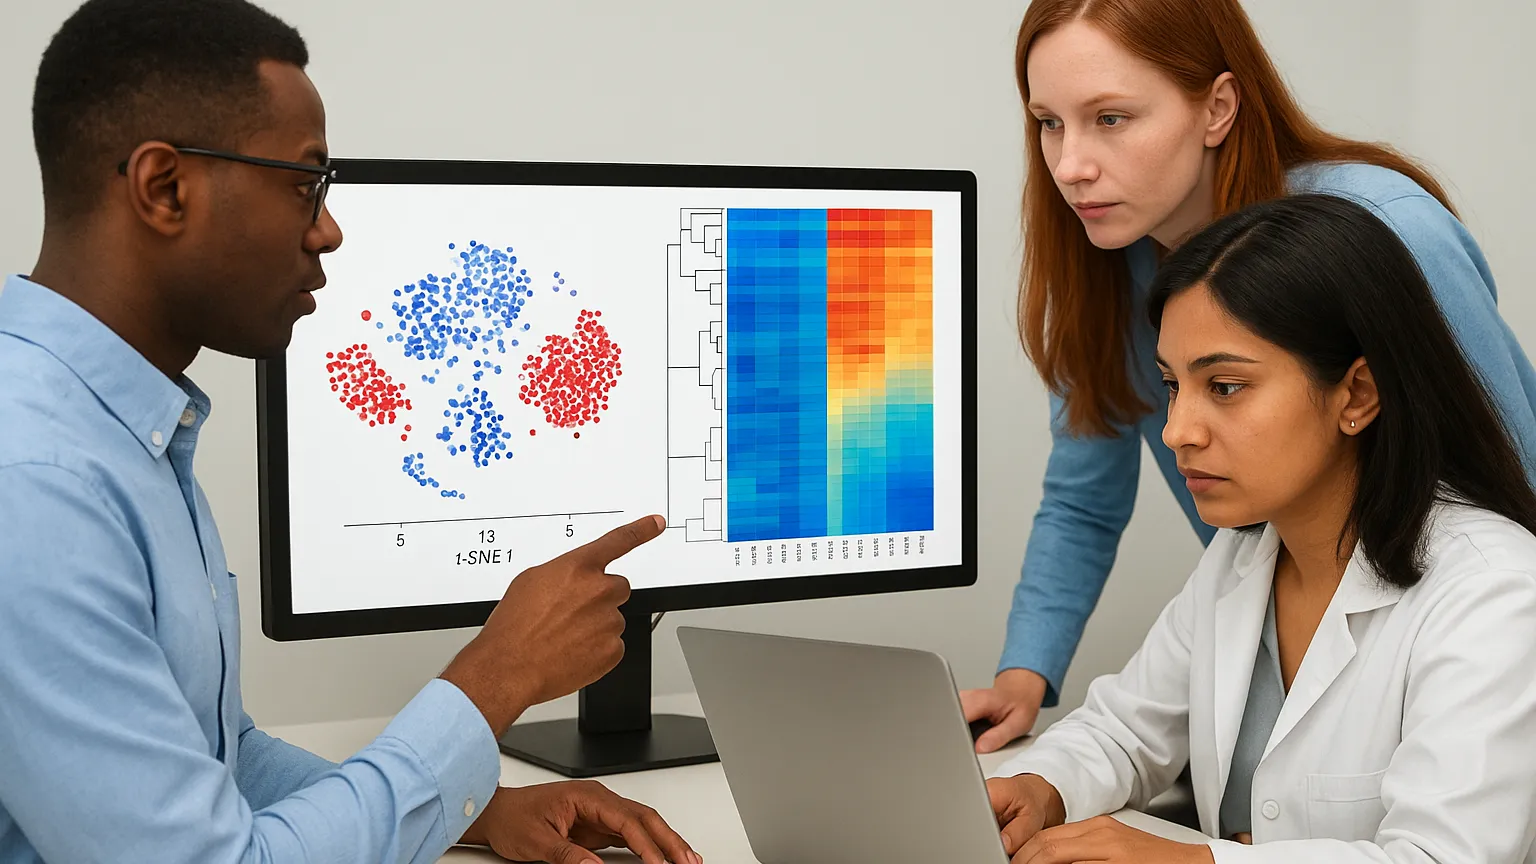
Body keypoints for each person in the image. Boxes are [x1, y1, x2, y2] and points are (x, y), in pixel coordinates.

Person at [0, 2, 700, 863]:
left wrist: (474, 810)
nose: (328, 229)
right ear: (164, 189)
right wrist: (496, 677)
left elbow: (216, 762)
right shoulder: (35, 482)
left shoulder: (116, 434)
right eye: (305, 184)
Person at [961, 0, 1536, 755]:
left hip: (1457, 664)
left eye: (1111, 118)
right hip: (1280, 649)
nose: (1070, 166)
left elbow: (1513, 489)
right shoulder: (1104, 267)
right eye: (1049, 123)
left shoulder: (1388, 228)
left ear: (1218, 108)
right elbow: (1083, 502)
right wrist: (1022, 678)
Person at [984, 193, 1536, 862]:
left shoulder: (1494, 591)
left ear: (1358, 394)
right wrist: (1041, 787)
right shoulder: (1242, 556)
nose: (1177, 431)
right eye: (1173, 385)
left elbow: (1443, 857)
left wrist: (1201, 860)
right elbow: (1123, 731)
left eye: (1224, 387)